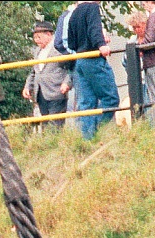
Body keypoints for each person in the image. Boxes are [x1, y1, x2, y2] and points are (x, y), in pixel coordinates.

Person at [67, 0, 120, 139]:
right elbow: (93, 29)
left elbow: (71, 42)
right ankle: (97, 129)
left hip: (80, 59)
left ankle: (88, 139)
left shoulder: (74, 12)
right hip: (93, 59)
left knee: (86, 104)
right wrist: (101, 44)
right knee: (111, 98)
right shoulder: (92, 7)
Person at [22, 20, 72, 129]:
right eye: (35, 38)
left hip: (57, 92)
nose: (36, 40)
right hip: (41, 94)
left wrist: (67, 83)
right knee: (45, 126)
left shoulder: (60, 48)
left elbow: (71, 68)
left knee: (55, 127)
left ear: (48, 34)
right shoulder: (37, 51)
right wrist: (27, 86)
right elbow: (34, 71)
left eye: (39, 37)